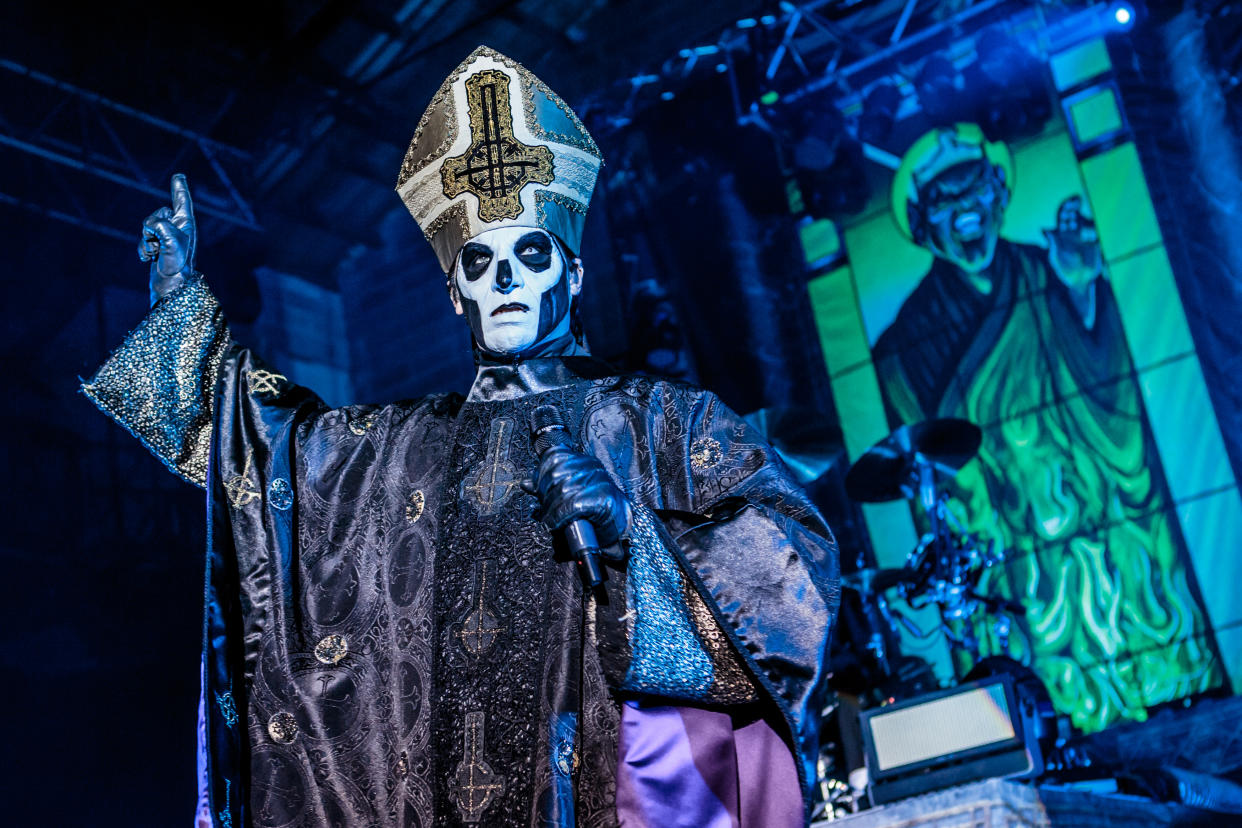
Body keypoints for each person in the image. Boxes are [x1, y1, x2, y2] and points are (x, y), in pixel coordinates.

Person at [83, 46, 839, 827]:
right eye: (480, 261)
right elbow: (259, 451)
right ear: (454, 292)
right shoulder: (393, 452)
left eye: (529, 253)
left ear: (572, 275)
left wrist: (631, 535)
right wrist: (177, 307)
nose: (505, 280)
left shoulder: (667, 425)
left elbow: (794, 575)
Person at [871, 123, 1219, 727]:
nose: (968, 213)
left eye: (975, 189)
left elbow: (1115, 405)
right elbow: (929, 477)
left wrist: (1084, 293)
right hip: (1015, 539)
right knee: (1033, 673)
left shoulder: (1051, 269)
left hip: (1096, 513)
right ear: (925, 226)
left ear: (999, 192)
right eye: (946, 203)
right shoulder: (903, 345)